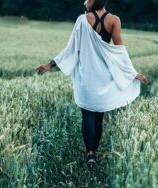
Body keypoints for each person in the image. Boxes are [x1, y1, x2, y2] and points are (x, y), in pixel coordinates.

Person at [36, 0, 148, 167]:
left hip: (86, 75)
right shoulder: (114, 20)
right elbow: (120, 51)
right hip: (104, 75)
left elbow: (71, 48)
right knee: (99, 115)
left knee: (87, 114)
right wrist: (132, 73)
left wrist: (50, 64)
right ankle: (94, 153)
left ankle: (89, 153)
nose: (84, 2)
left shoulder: (82, 20)